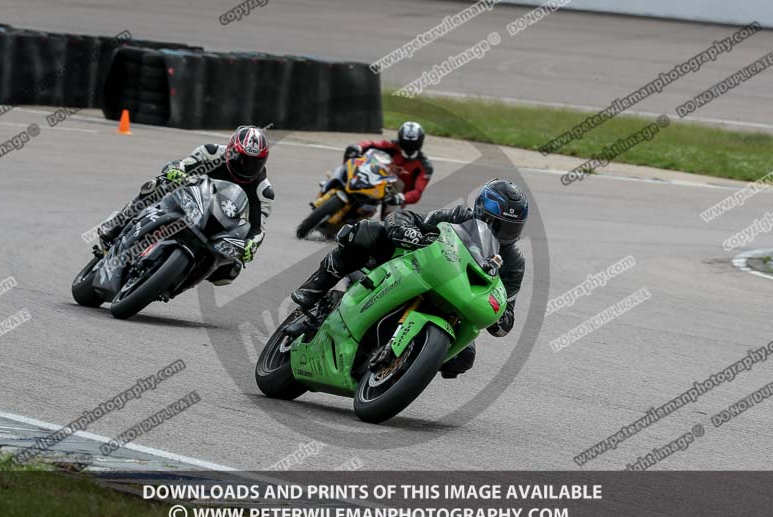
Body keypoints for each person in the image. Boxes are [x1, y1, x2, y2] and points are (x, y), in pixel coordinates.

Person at [291, 179, 527, 378]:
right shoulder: (458, 216)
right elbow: (406, 217)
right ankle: (314, 293)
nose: (503, 234)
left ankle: (410, 364)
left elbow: (507, 315)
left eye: (511, 229)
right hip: (416, 270)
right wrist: (407, 232)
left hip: (456, 303)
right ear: (480, 213)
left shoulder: (514, 262)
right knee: (366, 231)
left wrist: (498, 317)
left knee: (463, 358)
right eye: (498, 224)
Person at [97, 125, 274, 286]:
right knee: (157, 185)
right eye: (241, 158)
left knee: (230, 271)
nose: (246, 166)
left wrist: (252, 244)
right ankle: (116, 225)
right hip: (191, 199)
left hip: (219, 223)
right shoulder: (212, 153)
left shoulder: (263, 190)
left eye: (254, 162)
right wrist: (176, 171)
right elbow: (183, 164)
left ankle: (179, 279)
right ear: (230, 150)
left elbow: (259, 227)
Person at [326, 121, 432, 215]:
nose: (409, 147)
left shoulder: (424, 166)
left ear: (420, 142)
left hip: (393, 196)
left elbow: (418, 191)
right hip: (374, 179)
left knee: (392, 221)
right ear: (400, 139)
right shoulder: (392, 146)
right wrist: (358, 147)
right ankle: (335, 181)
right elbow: (371, 144)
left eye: (413, 144)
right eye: (405, 143)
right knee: (352, 156)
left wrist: (402, 198)